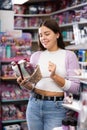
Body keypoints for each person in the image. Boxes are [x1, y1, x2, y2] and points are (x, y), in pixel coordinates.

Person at [17, 18, 80, 130]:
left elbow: (75, 88)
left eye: (47, 34)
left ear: (57, 34)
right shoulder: (36, 56)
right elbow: (32, 85)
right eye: (40, 35)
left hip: (56, 108)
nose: (43, 38)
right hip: (34, 105)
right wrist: (24, 84)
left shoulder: (69, 56)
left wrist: (55, 76)